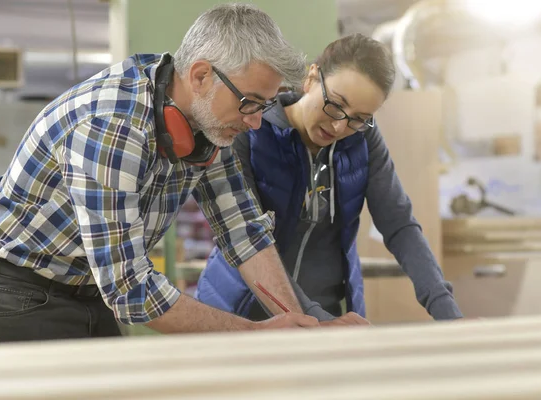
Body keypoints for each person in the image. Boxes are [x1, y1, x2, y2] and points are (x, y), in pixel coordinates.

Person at [0, 3, 320, 343]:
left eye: (265, 105)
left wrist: (300, 327)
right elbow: (130, 289)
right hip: (11, 291)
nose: (255, 120)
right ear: (201, 76)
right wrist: (256, 334)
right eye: (250, 102)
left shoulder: (209, 120)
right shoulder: (113, 126)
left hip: (88, 290)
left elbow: (243, 231)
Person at [196, 34, 463, 324]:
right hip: (241, 317)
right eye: (335, 104)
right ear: (311, 78)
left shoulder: (363, 141)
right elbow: (249, 240)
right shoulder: (251, 133)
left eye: (358, 118)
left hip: (329, 317)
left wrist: (447, 312)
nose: (339, 126)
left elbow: (399, 225)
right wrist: (315, 320)